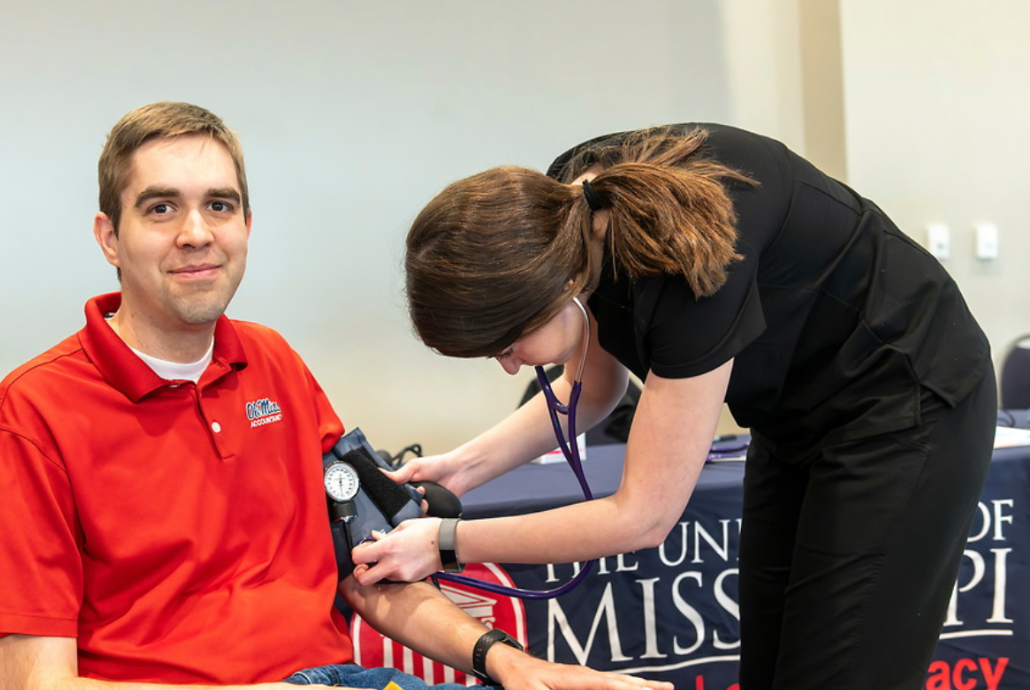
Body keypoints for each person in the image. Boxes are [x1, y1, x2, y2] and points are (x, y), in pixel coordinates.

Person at [0, 102, 671, 690]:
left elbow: (373, 574)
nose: (197, 233)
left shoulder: (273, 364)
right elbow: (37, 685)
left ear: (247, 227)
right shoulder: (30, 416)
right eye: (159, 209)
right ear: (109, 238)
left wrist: (510, 664)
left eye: (220, 204)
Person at [352, 123, 997, 690]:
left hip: (908, 403)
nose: (511, 366)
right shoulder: (569, 213)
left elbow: (642, 518)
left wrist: (446, 543)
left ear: (561, 286)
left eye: (506, 344)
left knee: (842, 668)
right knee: (774, 663)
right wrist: (461, 469)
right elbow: (594, 392)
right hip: (796, 420)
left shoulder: (689, 271)